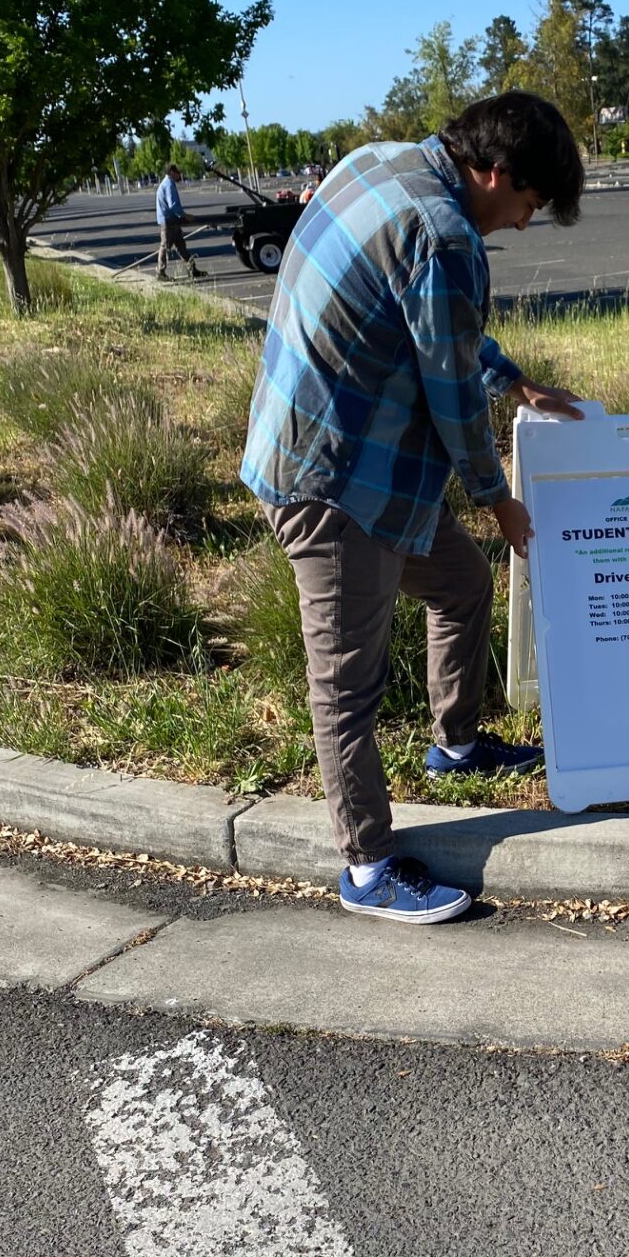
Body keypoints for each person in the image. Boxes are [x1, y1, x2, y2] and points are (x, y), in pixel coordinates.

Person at [240, 92, 586, 927]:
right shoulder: (446, 235)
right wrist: (496, 496)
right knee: (347, 682)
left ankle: (456, 744)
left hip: (365, 461)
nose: (525, 224)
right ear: (497, 172)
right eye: (530, 204)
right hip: (333, 479)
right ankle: (364, 864)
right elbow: (452, 390)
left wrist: (517, 378)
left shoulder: (378, 163)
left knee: (462, 584)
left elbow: (441, 328)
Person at [154, 163, 202, 280]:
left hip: (171, 220)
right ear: (171, 172)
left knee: (181, 246)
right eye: (177, 172)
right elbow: (173, 205)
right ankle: (160, 272)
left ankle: (192, 269)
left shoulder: (165, 183)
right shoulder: (169, 184)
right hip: (169, 221)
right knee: (165, 247)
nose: (179, 175)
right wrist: (185, 215)